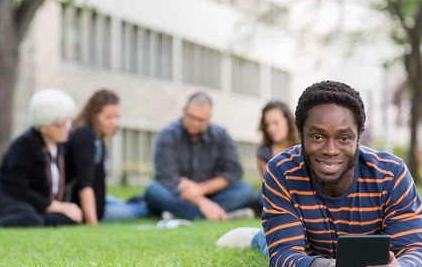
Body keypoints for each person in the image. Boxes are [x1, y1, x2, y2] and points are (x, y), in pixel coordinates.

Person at [217, 80, 422, 267]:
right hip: (306, 245)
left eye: (344, 138)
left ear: (360, 136)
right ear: (301, 134)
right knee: (270, 245)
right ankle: (258, 237)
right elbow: (284, 254)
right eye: (318, 137)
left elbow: (417, 249)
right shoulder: (280, 171)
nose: (330, 150)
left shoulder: (391, 174)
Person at [145, 92, 255, 221]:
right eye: (192, 117)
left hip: (214, 195)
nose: (195, 123)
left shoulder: (221, 135)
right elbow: (167, 176)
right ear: (183, 111)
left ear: (209, 118)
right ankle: (220, 214)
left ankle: (181, 215)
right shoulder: (167, 134)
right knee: (153, 192)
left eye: (201, 120)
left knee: (245, 189)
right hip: (180, 195)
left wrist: (200, 189)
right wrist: (201, 202)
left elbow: (234, 172)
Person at [0, 89, 83, 227]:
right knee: (29, 216)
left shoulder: (59, 147)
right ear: (44, 127)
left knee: (68, 219)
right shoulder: (24, 146)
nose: (67, 128)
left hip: (35, 205)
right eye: (61, 124)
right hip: (6, 199)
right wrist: (56, 206)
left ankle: (38, 220)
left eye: (69, 123)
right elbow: (17, 188)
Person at [65, 89, 151, 224]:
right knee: (142, 211)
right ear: (94, 115)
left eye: (117, 117)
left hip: (101, 199)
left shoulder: (98, 138)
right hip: (89, 208)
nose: (114, 123)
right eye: (108, 117)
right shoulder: (85, 137)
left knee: (132, 203)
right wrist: (93, 223)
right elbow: (84, 185)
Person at [255, 100, 300, 208]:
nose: (271, 129)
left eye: (276, 123)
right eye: (267, 124)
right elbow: (269, 183)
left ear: (288, 122)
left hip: (301, 193)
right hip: (277, 194)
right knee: (261, 197)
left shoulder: (302, 146)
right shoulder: (263, 152)